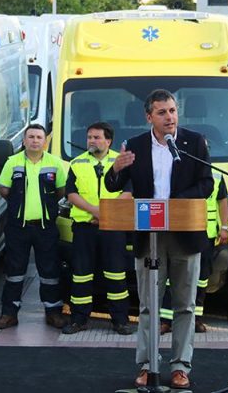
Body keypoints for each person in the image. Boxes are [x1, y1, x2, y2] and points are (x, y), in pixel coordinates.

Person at [105, 89, 213, 390]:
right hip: (148, 237)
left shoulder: (193, 142)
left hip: (185, 235)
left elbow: (207, 183)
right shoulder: (135, 146)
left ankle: (180, 367)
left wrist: (175, 205)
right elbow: (114, 185)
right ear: (148, 116)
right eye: (162, 112)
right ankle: (148, 365)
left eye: (173, 111)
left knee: (185, 305)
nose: (170, 117)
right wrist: (115, 168)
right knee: (148, 306)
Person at [0, 124, 68, 330]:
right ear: (24, 141)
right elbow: (3, 189)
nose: (35, 140)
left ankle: (53, 313)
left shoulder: (55, 164)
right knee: (14, 271)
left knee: (50, 271)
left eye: (39, 137)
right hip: (18, 227)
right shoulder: (12, 162)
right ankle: (9, 314)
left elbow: (61, 190)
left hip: (46, 227)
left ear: (45, 141)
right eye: (31, 137)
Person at [61, 122, 133, 336]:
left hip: (113, 228)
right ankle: (79, 319)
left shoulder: (120, 162)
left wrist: (106, 214)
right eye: (89, 137)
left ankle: (120, 321)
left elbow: (129, 191)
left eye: (96, 137)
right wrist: (94, 210)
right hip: (84, 228)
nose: (92, 141)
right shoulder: (77, 163)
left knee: (116, 275)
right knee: (81, 275)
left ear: (108, 141)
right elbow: (71, 194)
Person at [161, 170, 228, 335]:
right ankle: (166, 320)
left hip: (207, 233)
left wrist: (225, 227)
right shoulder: (178, 171)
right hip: (180, 231)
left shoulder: (217, 176)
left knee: (202, 278)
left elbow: (222, 201)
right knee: (172, 276)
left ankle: (196, 318)